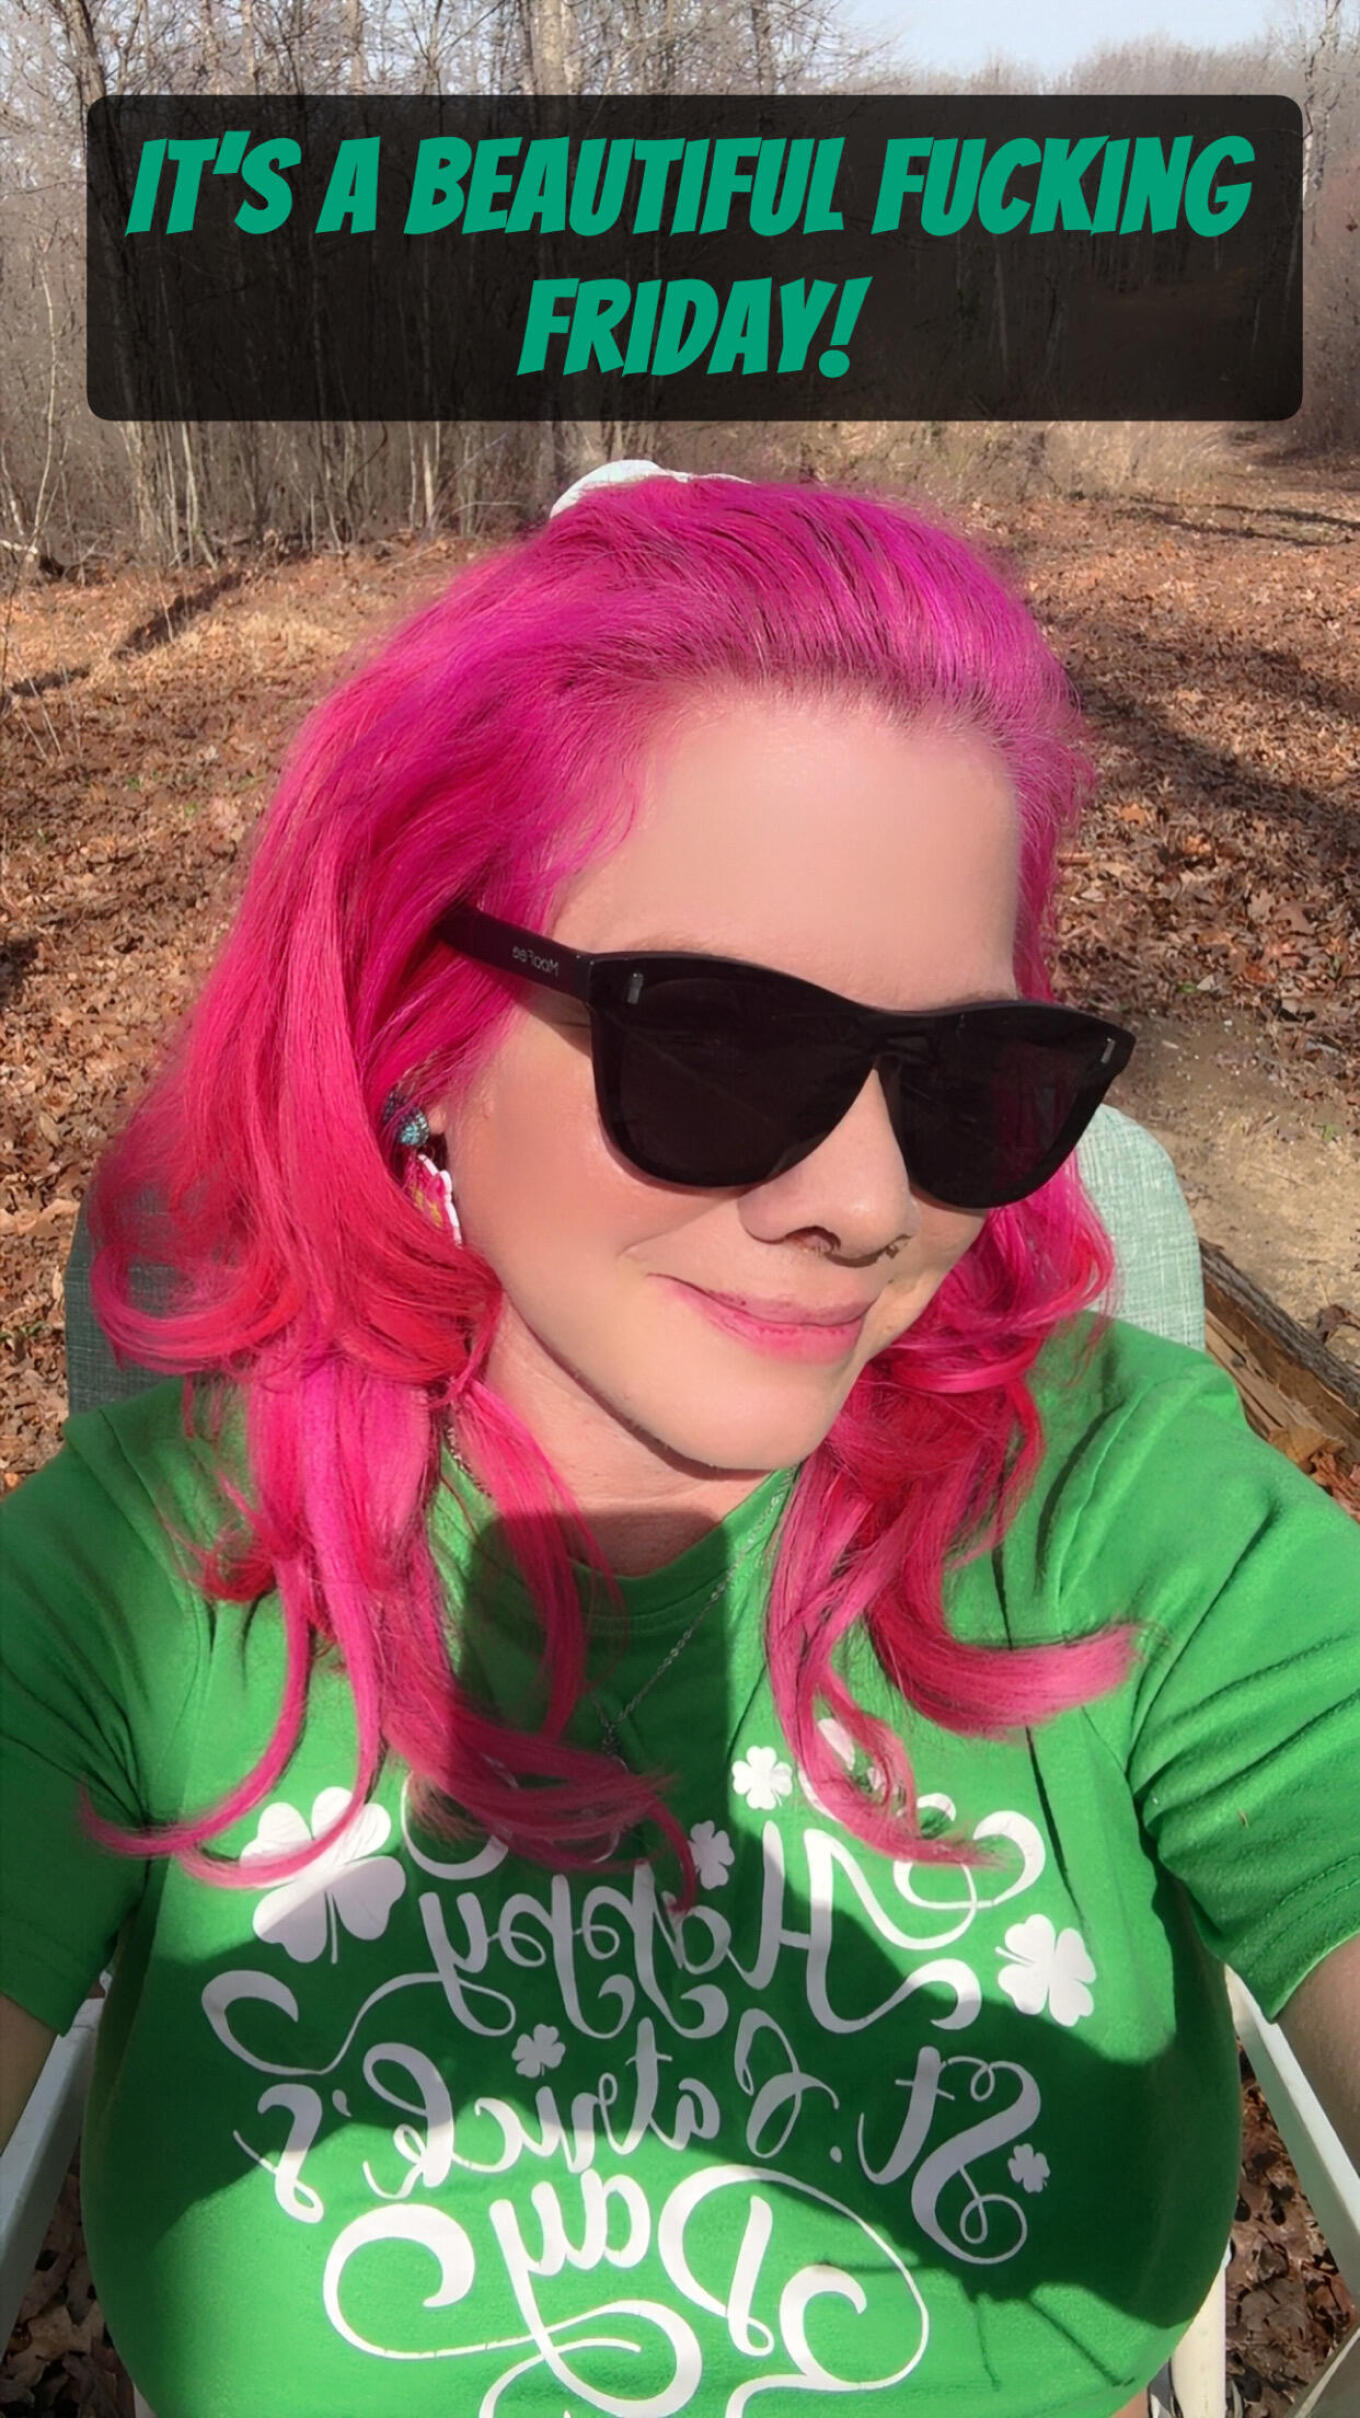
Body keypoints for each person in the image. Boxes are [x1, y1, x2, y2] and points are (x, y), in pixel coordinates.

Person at [2, 464, 1357, 2418]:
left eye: (964, 1078)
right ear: (415, 1030)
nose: (865, 1204)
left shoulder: (1127, 1520)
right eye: (718, 1043)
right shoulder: (151, 1589)